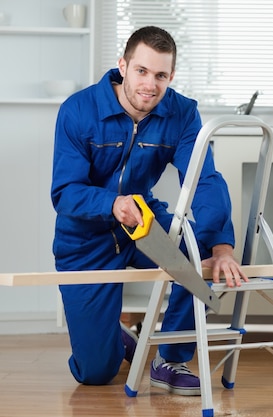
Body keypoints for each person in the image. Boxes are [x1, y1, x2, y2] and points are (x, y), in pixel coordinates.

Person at [51, 26, 247, 396]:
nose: (150, 85)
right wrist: (111, 204)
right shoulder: (78, 110)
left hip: (144, 221)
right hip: (84, 238)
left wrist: (220, 246)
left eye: (160, 75)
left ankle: (169, 359)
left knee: (197, 253)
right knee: (96, 372)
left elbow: (205, 179)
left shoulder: (182, 112)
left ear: (171, 76)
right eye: (141, 71)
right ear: (122, 65)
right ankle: (114, 339)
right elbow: (65, 193)